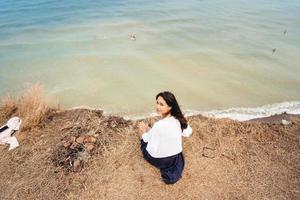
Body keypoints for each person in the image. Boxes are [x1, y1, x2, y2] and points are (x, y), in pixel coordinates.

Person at [138, 91, 192, 184]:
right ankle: (148, 129)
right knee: (151, 130)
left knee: (142, 130)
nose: (157, 107)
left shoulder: (159, 125)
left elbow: (148, 143)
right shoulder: (178, 120)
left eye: (161, 104)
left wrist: (143, 133)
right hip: (174, 158)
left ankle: (144, 129)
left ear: (170, 107)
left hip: (160, 161)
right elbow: (188, 132)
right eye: (157, 103)